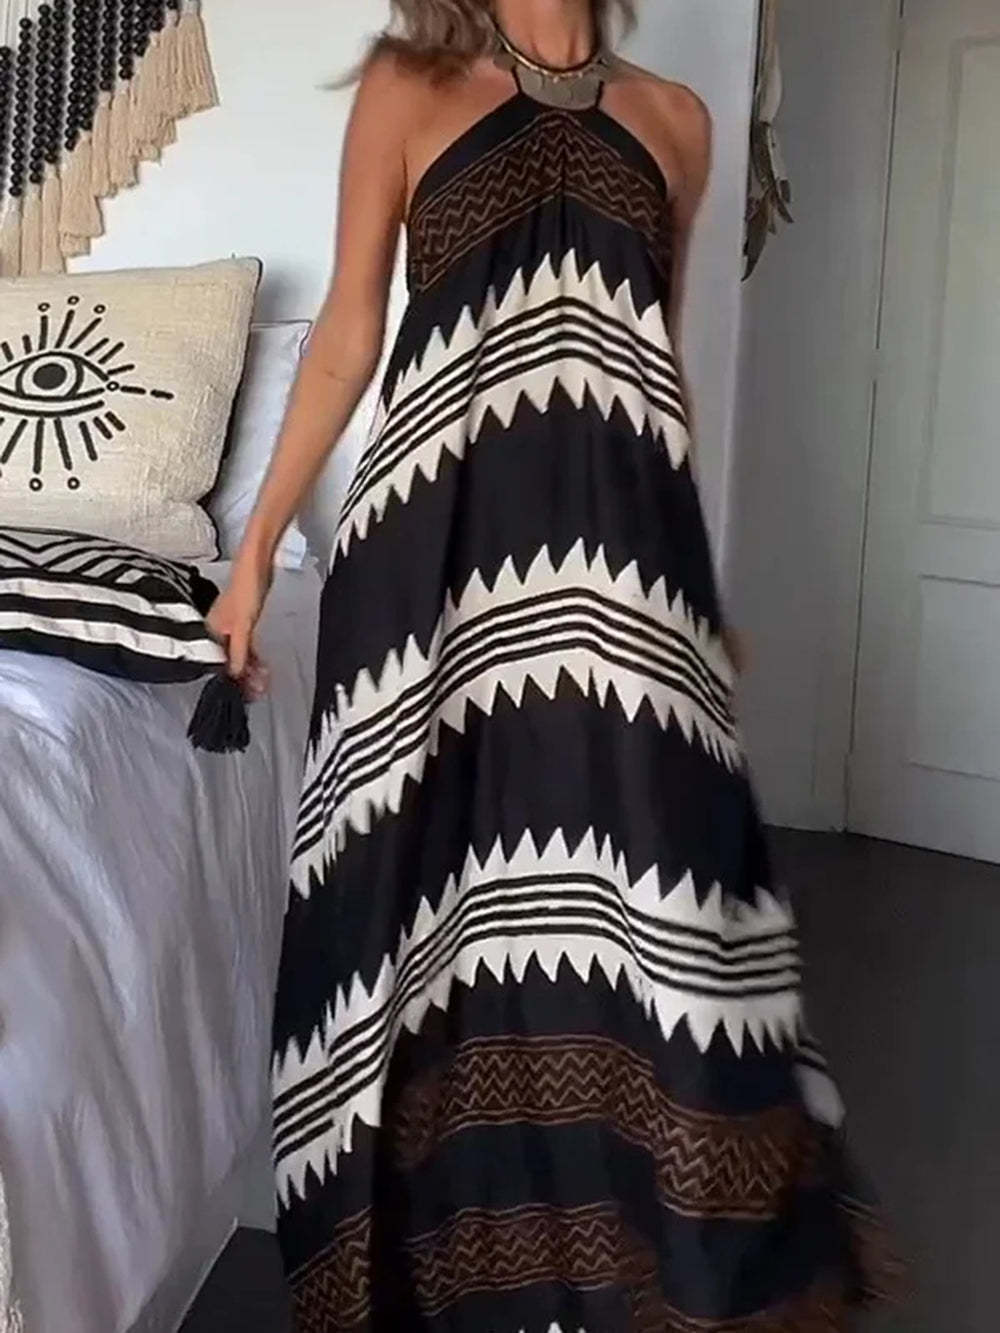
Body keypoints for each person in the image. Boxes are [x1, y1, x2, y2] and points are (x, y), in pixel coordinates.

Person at [211, 1, 900, 1326]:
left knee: (661, 911)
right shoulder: (410, 88)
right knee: (421, 901)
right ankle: (424, 1270)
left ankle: (658, 1260)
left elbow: (656, 368)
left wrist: (689, 587)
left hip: (620, 570)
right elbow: (351, 332)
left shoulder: (678, 123)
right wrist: (252, 556)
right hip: (431, 559)